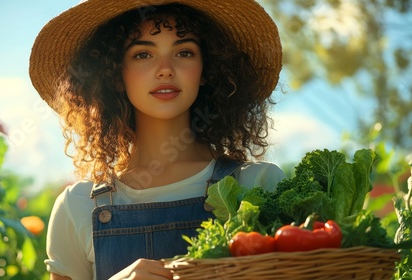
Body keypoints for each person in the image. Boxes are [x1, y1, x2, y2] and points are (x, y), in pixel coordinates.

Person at [29, 0, 284, 279]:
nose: (165, 69)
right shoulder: (77, 206)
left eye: (184, 52)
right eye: (143, 55)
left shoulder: (258, 185)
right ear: (115, 74)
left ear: (206, 70)